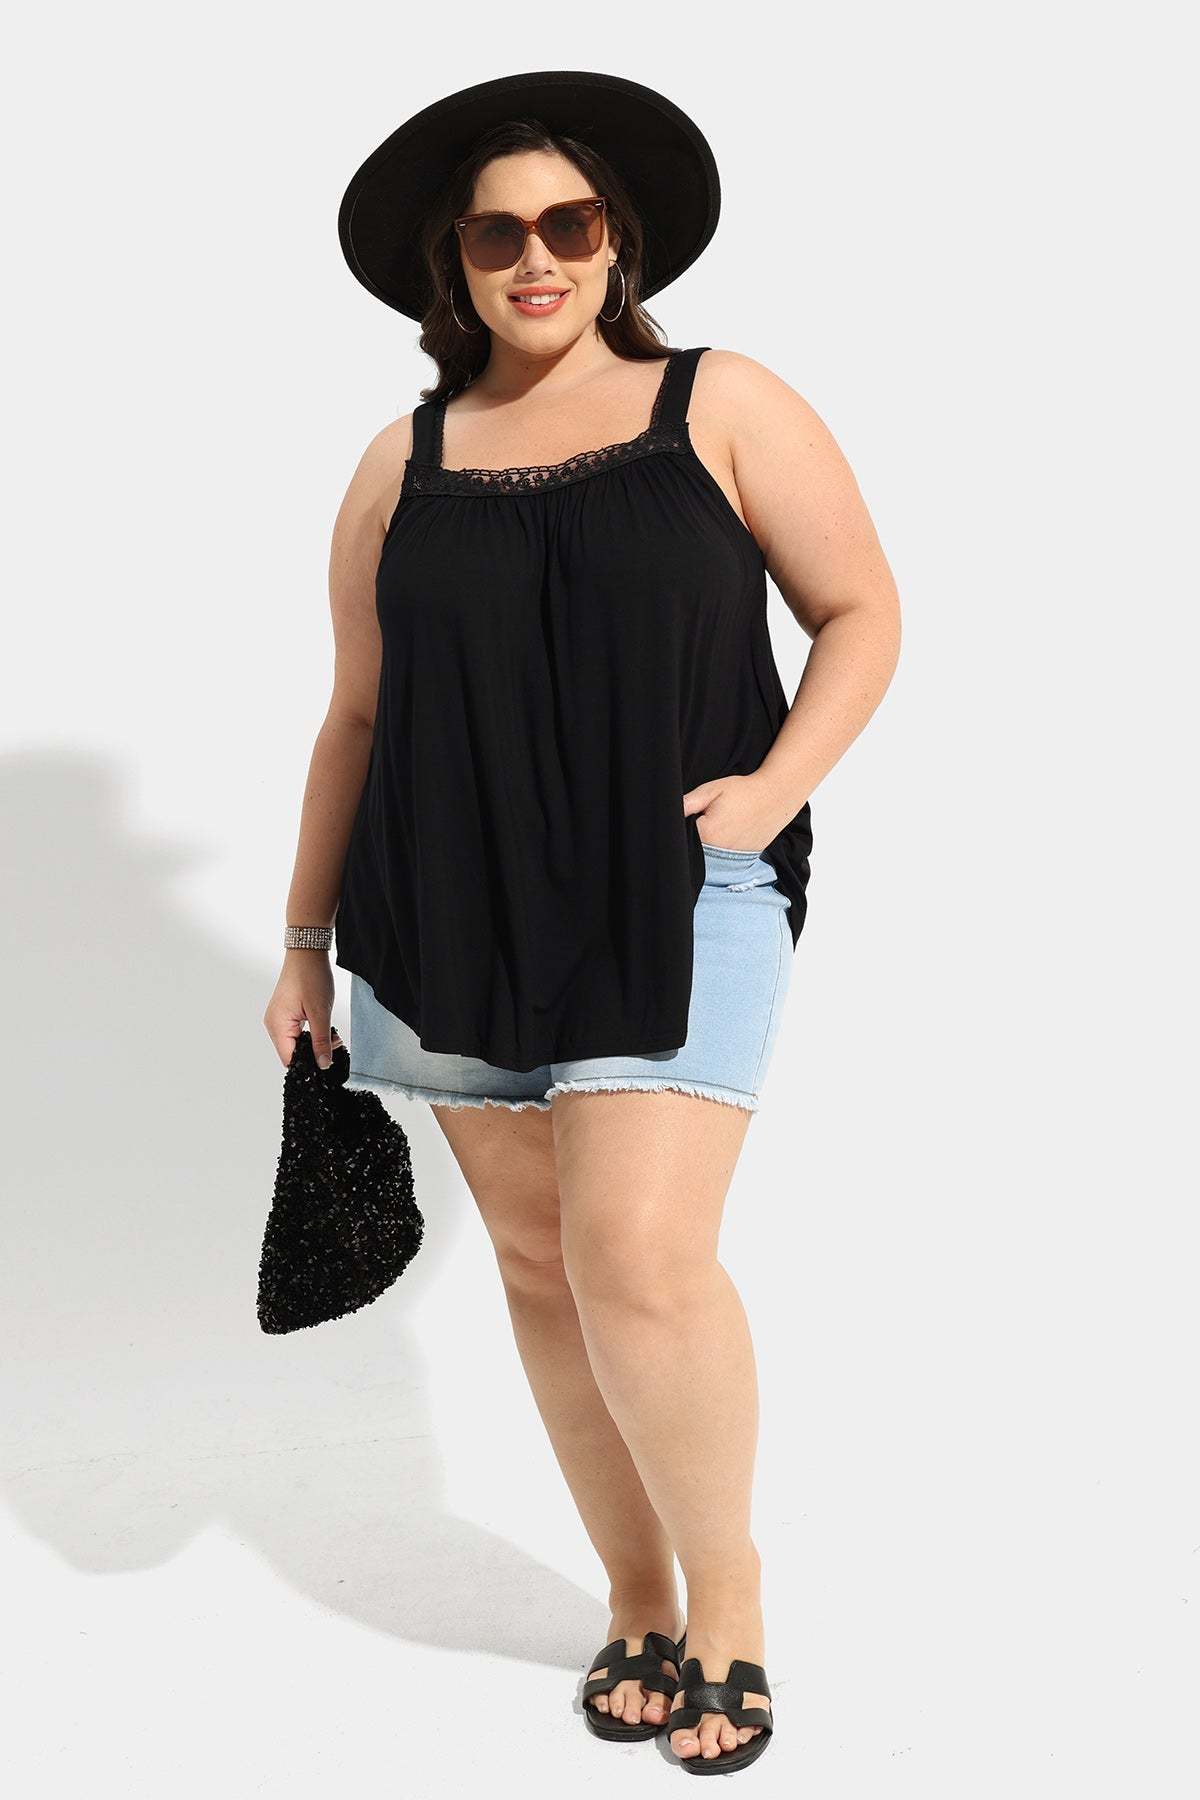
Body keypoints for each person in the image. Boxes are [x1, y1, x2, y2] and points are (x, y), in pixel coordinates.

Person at [263, 70, 900, 1775]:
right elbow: (357, 716)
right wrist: (305, 943)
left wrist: (770, 791)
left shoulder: (722, 402)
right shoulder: (401, 462)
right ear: (453, 266)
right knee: (545, 1268)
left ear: (616, 242)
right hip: (441, 900)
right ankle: (635, 1595)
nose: (535, 256)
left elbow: (859, 611)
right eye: (497, 234)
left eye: (568, 222)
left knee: (639, 1259)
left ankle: (731, 1600)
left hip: (681, 886)